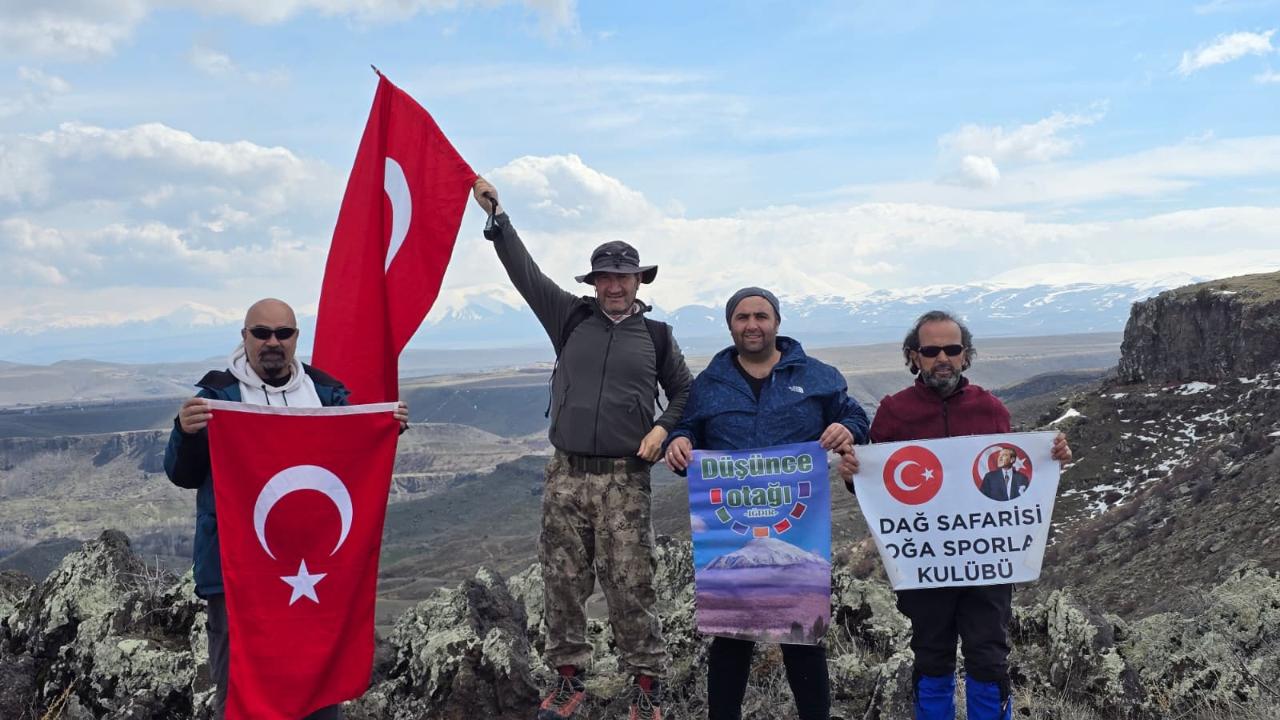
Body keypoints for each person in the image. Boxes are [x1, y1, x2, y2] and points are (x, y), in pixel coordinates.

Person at [471, 179, 692, 720]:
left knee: (631, 582)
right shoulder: (568, 316)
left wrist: (663, 428)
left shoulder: (658, 336)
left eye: (623, 276)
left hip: (627, 477)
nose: (614, 286)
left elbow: (686, 391)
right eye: (605, 277)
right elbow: (526, 274)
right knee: (563, 581)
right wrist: (499, 219)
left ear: (639, 280)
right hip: (566, 474)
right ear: (593, 283)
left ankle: (646, 684)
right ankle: (568, 680)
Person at [163, 298, 409, 720]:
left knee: (318, 684)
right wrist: (185, 434)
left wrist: (383, 431)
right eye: (261, 333)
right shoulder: (216, 398)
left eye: (283, 333)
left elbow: (348, 469)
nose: (272, 342)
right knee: (241, 691)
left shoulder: (327, 395)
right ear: (244, 338)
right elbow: (181, 474)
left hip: (317, 577)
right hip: (237, 577)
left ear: (297, 339)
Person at [841, 310, 1070, 720]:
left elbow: (1013, 476)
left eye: (952, 349)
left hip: (986, 565)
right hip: (927, 563)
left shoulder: (991, 408)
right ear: (914, 357)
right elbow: (878, 488)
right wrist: (853, 476)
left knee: (988, 657)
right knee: (931, 656)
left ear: (966, 355)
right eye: (931, 351)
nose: (942, 358)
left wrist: (1052, 460)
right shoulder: (894, 411)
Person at [664, 287, 869, 720]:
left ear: (776, 322)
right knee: (731, 637)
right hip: (731, 529)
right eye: (742, 317)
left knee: (802, 635)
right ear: (730, 325)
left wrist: (845, 429)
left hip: (797, 525)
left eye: (761, 316)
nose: (752, 325)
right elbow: (686, 431)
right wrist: (680, 442)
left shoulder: (817, 376)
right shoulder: (710, 384)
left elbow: (855, 417)